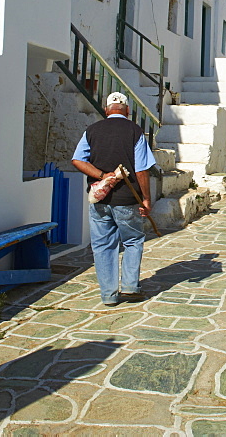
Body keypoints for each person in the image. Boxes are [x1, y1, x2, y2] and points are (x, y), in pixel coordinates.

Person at [71, 92, 156, 305]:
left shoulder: (91, 130)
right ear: (127, 111)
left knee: (102, 246)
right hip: (127, 199)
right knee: (133, 240)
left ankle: (108, 295)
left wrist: (101, 176)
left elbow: (77, 160)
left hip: (99, 198)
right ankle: (129, 286)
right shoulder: (134, 131)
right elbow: (142, 170)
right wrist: (146, 199)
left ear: (107, 110)